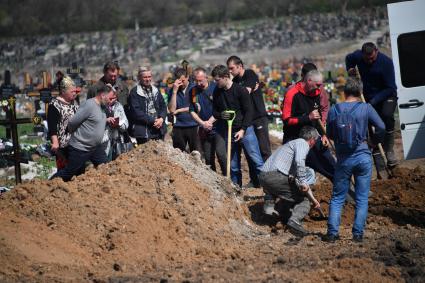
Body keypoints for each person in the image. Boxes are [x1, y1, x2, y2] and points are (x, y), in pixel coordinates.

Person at [324, 78, 385, 243]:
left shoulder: (334, 110)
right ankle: (357, 234)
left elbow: (329, 134)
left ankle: (332, 233)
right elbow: (382, 127)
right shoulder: (366, 108)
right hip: (363, 156)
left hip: (343, 159)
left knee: (338, 197)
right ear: (360, 92)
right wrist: (372, 143)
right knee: (362, 197)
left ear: (344, 92)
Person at [259, 126, 320, 237]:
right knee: (304, 200)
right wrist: (303, 182)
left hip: (263, 177)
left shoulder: (290, 145)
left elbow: (295, 179)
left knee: (289, 192)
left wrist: (315, 200)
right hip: (275, 177)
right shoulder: (302, 143)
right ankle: (294, 222)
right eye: (315, 141)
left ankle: (275, 213)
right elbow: (300, 162)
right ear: (312, 140)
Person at [346, 42, 398, 168]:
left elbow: (390, 87)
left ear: (377, 51)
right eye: (366, 59)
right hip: (368, 97)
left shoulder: (386, 63)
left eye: (372, 58)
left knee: (386, 115)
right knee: (369, 124)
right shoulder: (358, 56)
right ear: (362, 54)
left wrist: (375, 100)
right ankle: (379, 160)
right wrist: (350, 69)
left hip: (386, 95)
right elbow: (349, 58)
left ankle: (389, 150)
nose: (369, 61)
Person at [211, 65, 264, 187]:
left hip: (246, 130)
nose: (215, 82)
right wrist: (221, 115)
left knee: (256, 161)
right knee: (233, 165)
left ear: (225, 77)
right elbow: (214, 112)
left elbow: (249, 111)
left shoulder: (240, 91)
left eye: (217, 80)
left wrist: (243, 129)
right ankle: (236, 190)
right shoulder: (217, 91)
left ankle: (269, 189)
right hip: (229, 131)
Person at [282, 70, 336, 182]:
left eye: (321, 85)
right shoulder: (292, 93)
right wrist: (308, 117)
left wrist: (324, 135)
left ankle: (347, 190)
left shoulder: (317, 92)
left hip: (312, 135)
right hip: (295, 139)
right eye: (317, 85)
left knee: (331, 164)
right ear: (309, 80)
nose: (319, 88)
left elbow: (319, 117)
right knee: (295, 173)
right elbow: (286, 119)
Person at [51, 85, 112, 181]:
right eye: (110, 98)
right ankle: (48, 184)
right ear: (103, 95)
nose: (111, 100)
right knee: (69, 172)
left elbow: (95, 120)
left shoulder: (102, 107)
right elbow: (72, 122)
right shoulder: (89, 105)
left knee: (106, 167)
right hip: (80, 147)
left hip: (95, 147)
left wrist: (107, 120)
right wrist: (77, 136)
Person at [227, 56, 271, 187]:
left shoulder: (249, 74)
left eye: (232, 68)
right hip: (247, 120)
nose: (230, 71)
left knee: (264, 150)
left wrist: (241, 92)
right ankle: (255, 180)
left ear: (240, 66)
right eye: (228, 69)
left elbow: (246, 91)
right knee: (249, 151)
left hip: (258, 117)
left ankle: (269, 180)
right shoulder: (234, 80)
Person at [128, 67, 167, 144]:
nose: (148, 79)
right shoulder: (134, 92)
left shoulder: (156, 90)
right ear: (139, 78)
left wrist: (161, 118)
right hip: (143, 131)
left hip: (158, 129)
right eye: (145, 77)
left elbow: (163, 106)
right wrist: (153, 121)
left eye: (149, 77)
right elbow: (136, 112)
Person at [47, 75, 79, 169]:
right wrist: (55, 142)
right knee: (65, 171)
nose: (75, 93)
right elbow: (52, 126)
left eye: (75, 91)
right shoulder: (54, 105)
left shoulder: (74, 102)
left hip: (76, 143)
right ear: (64, 92)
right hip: (63, 146)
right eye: (72, 91)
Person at [189, 67, 218, 171]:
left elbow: (220, 108)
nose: (198, 83)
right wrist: (202, 123)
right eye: (196, 80)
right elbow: (192, 110)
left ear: (206, 77)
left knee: (222, 156)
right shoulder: (193, 91)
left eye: (200, 80)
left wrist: (210, 122)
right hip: (204, 129)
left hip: (218, 128)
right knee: (209, 159)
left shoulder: (215, 88)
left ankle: (230, 182)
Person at [167, 67, 200, 152]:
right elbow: (172, 110)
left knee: (195, 153)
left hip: (193, 125)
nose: (181, 83)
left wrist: (179, 110)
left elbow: (195, 106)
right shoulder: (172, 90)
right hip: (178, 126)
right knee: (179, 153)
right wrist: (174, 92)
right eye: (179, 81)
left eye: (183, 81)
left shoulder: (193, 89)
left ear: (187, 77)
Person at [101, 84, 129, 160]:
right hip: (103, 141)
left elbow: (126, 124)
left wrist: (119, 124)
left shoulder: (118, 106)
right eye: (111, 98)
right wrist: (107, 121)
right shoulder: (100, 106)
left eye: (115, 98)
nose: (113, 100)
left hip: (116, 140)